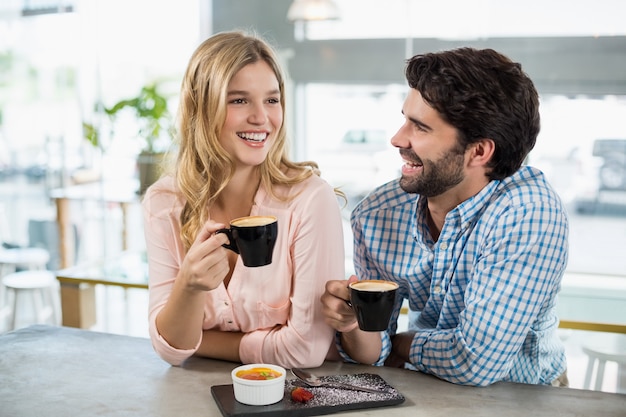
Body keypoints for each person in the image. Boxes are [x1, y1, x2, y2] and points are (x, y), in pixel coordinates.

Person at [321, 47, 569, 387]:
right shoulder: (378, 215)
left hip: (526, 397)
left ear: (479, 151)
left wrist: (402, 345)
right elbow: (373, 351)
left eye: (420, 128)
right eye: (405, 118)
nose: (397, 138)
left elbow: (476, 363)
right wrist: (351, 324)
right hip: (427, 388)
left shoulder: (528, 214)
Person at [142, 31, 345, 368]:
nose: (261, 117)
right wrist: (190, 287)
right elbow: (169, 348)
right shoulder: (164, 202)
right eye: (238, 100)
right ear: (200, 108)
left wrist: (203, 341)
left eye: (272, 99)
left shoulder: (310, 200)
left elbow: (305, 351)